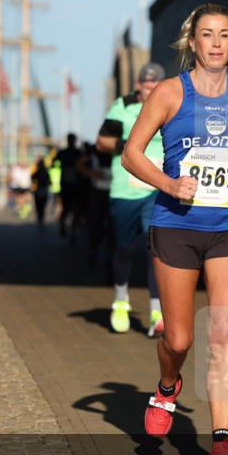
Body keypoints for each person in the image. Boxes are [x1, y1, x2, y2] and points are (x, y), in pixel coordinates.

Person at [122, 3, 228, 455]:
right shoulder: (170, 92)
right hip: (177, 226)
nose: (216, 43)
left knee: (225, 336)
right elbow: (131, 154)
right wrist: (169, 185)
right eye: (207, 34)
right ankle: (167, 387)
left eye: (224, 35)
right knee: (179, 338)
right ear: (193, 42)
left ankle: (221, 446)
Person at [96, 62, 166, 337]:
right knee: (125, 248)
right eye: (146, 86)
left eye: (155, 86)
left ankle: (157, 312)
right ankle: (121, 301)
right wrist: (129, 145)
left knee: (156, 248)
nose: (150, 91)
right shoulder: (122, 107)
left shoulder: (170, 105)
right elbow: (102, 141)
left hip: (157, 189)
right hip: (126, 189)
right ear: (138, 85)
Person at [78, 141, 112, 267]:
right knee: (96, 223)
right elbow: (80, 163)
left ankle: (110, 254)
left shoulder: (121, 147)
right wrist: (91, 173)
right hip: (97, 192)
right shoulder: (94, 150)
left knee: (113, 225)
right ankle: (94, 248)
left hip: (115, 193)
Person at [57, 133, 84, 242]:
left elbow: (53, 163)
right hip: (76, 185)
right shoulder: (79, 152)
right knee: (75, 209)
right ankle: (73, 230)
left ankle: (63, 225)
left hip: (65, 184)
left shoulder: (62, 153)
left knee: (66, 207)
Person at [30, 154, 50, 226]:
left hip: (39, 190)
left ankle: (40, 217)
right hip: (43, 190)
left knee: (38, 205)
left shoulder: (38, 172)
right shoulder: (46, 173)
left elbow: (32, 178)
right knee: (42, 205)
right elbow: (50, 182)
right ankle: (41, 217)